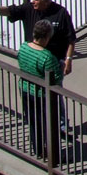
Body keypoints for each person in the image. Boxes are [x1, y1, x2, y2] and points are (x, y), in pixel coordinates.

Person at [0, 0, 77, 75]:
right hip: (32, 58)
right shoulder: (28, 8)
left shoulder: (61, 13)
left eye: (36, 0)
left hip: (53, 62)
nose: (33, 2)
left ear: (46, 2)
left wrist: (68, 60)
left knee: (53, 87)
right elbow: (9, 11)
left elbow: (71, 39)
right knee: (30, 85)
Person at [17, 18, 64, 159]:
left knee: (33, 121)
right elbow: (56, 79)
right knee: (49, 123)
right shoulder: (47, 56)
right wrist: (61, 68)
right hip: (41, 94)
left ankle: (38, 149)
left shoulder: (24, 47)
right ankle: (53, 154)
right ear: (47, 37)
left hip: (25, 88)